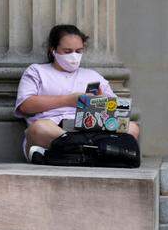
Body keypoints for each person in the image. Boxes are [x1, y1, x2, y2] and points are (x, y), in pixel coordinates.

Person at [14, 24, 141, 161]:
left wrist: (100, 101)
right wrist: (69, 100)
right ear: (53, 50)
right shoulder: (37, 71)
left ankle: (77, 151)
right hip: (55, 130)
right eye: (67, 51)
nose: (74, 56)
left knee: (132, 127)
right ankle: (97, 152)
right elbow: (25, 105)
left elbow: (118, 112)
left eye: (78, 51)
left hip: (91, 130)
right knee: (38, 129)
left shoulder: (93, 76)